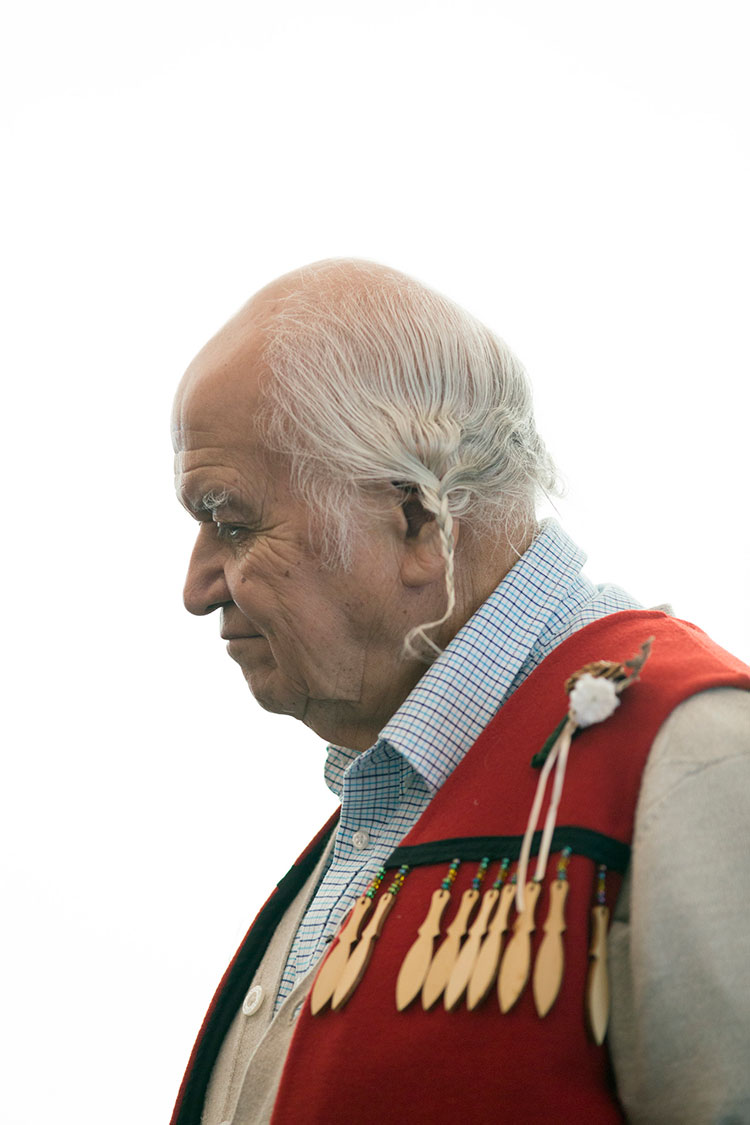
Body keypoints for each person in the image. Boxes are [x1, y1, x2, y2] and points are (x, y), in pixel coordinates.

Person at [170, 259, 750, 1125]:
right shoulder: (388, 803)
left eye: (232, 521)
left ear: (415, 516)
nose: (197, 587)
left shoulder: (693, 757)